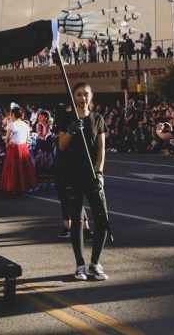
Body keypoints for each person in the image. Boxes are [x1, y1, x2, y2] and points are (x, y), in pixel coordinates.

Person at [55, 83, 110, 281]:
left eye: (85, 94)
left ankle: (95, 263)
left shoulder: (98, 119)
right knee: (77, 221)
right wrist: (71, 130)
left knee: (102, 219)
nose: (82, 98)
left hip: (92, 176)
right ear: (74, 97)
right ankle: (80, 265)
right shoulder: (66, 118)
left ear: (91, 95)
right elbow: (61, 146)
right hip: (71, 174)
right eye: (78, 95)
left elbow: (101, 150)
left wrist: (100, 173)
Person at [0, 107, 38, 194]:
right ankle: (24, 186)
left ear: (13, 114)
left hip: (14, 147)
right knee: (24, 167)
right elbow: (28, 138)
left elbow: (7, 137)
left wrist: (7, 144)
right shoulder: (25, 124)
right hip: (23, 147)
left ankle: (14, 187)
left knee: (13, 168)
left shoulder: (12, 124)